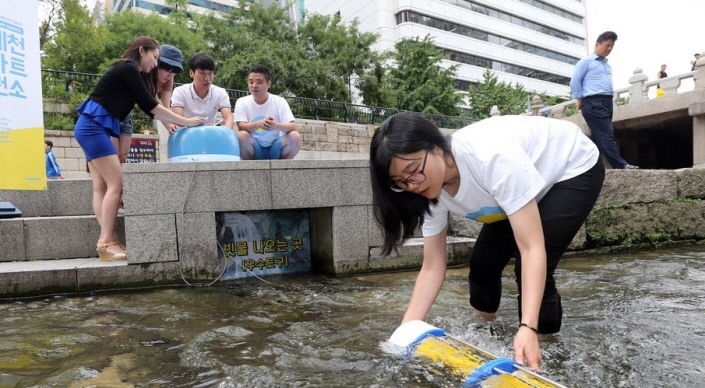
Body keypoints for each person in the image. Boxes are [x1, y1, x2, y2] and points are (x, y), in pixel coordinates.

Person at [370, 112, 604, 370]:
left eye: (413, 171)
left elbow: (531, 248)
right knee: (483, 265)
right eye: (400, 182)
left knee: (533, 270)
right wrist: (406, 333)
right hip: (516, 184)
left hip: (569, 167)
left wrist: (527, 327)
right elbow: (433, 266)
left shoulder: (490, 157)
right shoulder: (426, 190)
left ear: (436, 147)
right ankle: (485, 329)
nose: (411, 186)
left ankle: (542, 350)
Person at [73, 36, 205, 261]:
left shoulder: (135, 73)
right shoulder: (128, 68)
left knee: (104, 184)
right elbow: (151, 106)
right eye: (154, 58)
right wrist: (188, 121)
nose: (155, 63)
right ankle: (105, 242)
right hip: (94, 125)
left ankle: (109, 239)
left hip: (102, 125)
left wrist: (175, 118)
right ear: (142, 51)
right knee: (116, 183)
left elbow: (153, 103)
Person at [570, 31, 638, 169]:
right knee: (607, 134)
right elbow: (575, 81)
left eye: (612, 46)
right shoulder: (586, 62)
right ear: (597, 44)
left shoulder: (606, 64)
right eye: (607, 45)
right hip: (593, 101)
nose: (609, 49)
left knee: (597, 138)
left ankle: (584, 166)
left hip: (606, 102)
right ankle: (620, 165)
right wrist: (580, 97)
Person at [116, 44, 185, 164]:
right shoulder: (146, 73)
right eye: (166, 68)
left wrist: (172, 125)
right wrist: (178, 122)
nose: (170, 74)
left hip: (126, 113)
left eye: (174, 71)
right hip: (112, 112)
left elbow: (165, 105)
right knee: (112, 156)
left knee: (122, 157)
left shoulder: (169, 79)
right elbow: (153, 104)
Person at [234, 65, 301, 160]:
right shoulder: (242, 101)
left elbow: (292, 126)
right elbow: (241, 126)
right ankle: (249, 169)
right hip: (254, 147)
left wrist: (276, 126)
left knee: (294, 136)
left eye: (259, 82)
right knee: (241, 135)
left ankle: (283, 168)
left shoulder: (279, 101)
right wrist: (259, 124)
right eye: (251, 82)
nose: (254, 86)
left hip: (276, 147)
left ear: (268, 84)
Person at [171, 53, 233, 129]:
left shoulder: (220, 93)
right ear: (191, 73)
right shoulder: (180, 92)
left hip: (210, 134)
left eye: (210, 73)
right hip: (186, 135)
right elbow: (178, 122)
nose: (207, 78)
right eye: (202, 73)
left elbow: (228, 118)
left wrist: (224, 131)